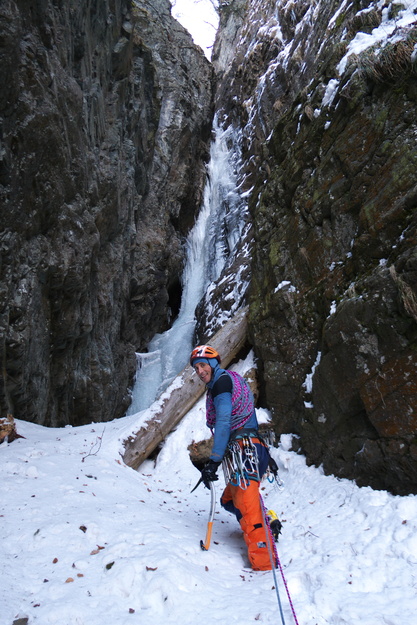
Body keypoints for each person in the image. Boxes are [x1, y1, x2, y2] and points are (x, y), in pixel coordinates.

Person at [190, 344, 278, 571]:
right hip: (248, 449)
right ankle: (267, 519)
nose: (199, 371)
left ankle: (264, 564)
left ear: (213, 363)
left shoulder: (221, 384)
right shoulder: (229, 380)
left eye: (202, 365)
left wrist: (214, 460)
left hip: (244, 450)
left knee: (247, 508)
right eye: (196, 368)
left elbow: (224, 421)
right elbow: (247, 417)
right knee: (229, 501)